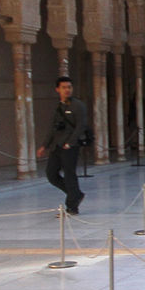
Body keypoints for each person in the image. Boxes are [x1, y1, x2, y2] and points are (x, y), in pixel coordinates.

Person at [35, 75, 90, 215]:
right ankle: (75, 194)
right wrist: (44, 146)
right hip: (57, 146)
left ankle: (72, 206)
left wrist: (70, 143)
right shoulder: (59, 107)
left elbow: (81, 126)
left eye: (69, 87)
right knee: (51, 173)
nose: (67, 90)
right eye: (64, 87)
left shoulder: (78, 105)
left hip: (70, 146)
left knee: (69, 174)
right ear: (57, 89)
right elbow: (52, 128)